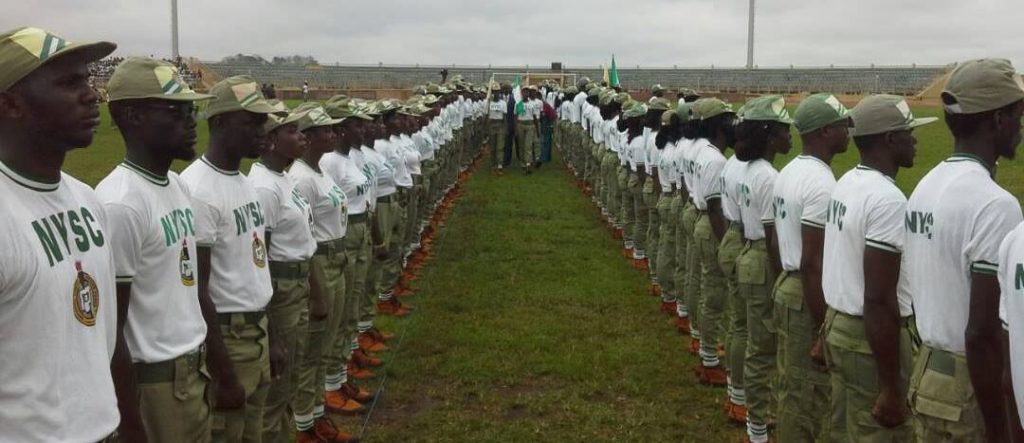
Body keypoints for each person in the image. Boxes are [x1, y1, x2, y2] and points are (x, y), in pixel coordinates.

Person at [0, 26, 120, 443]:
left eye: (87, 80)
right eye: (70, 83)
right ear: (10, 104)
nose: (91, 95)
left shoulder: (87, 199)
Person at [904, 59, 1024, 442]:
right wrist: (997, 428)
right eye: (1018, 116)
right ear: (998, 119)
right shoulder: (995, 205)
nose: (1021, 128)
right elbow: (983, 332)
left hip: (928, 370)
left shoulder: (925, 184)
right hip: (971, 386)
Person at [97, 57, 215, 442]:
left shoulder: (177, 185)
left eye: (192, 109)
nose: (190, 120)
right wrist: (129, 419)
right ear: (131, 116)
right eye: (176, 110)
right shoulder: (121, 203)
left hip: (191, 370)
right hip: (154, 383)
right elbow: (110, 330)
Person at [823, 94, 931, 442]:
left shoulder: (847, 183)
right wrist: (891, 385)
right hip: (869, 338)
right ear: (889, 139)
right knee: (879, 432)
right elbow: (880, 297)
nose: (915, 140)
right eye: (908, 132)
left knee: (845, 428)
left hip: (840, 324)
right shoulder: (887, 199)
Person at [179, 75, 281, 442]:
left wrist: (273, 335)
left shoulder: (242, 181)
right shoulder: (199, 190)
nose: (263, 130)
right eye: (252, 121)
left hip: (256, 330)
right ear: (219, 122)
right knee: (230, 431)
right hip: (228, 335)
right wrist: (222, 372)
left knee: (254, 429)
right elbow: (196, 290)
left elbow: (254, 265)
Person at [770, 93, 852, 441]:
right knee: (808, 397)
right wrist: (824, 327)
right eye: (841, 125)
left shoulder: (789, 171)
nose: (848, 131)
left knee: (793, 386)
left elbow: (776, 241)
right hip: (808, 293)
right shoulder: (821, 184)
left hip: (790, 287)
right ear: (823, 132)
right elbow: (813, 261)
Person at [733, 95, 793, 443]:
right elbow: (774, 238)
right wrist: (780, 277)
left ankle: (756, 418)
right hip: (763, 259)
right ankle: (757, 429)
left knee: (756, 339)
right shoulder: (768, 177)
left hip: (748, 252)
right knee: (763, 346)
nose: (790, 138)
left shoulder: (749, 170)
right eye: (785, 131)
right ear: (770, 135)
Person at [487, 82, 506, 173]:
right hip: (491, 125)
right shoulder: (489, 103)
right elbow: (487, 116)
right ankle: (493, 163)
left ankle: (500, 164)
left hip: (500, 125)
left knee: (500, 146)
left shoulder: (503, 103)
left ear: (500, 92)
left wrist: (505, 128)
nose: (496, 93)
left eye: (497, 91)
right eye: (494, 91)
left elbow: (505, 116)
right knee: (492, 146)